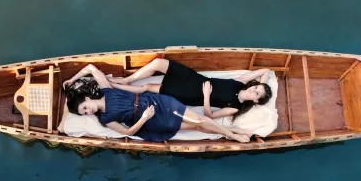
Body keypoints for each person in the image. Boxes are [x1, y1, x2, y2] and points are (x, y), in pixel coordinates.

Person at [63, 64, 252, 143]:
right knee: (198, 127)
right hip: (151, 120)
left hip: (156, 102)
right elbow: (129, 132)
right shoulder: (106, 119)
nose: (88, 112)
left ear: (87, 99)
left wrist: (72, 79)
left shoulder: (106, 89)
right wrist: (144, 118)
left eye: (84, 108)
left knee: (200, 120)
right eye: (84, 113)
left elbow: (90, 68)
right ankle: (232, 131)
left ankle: (231, 134)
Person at [108, 58, 272, 121]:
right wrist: (263, 87)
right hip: (193, 78)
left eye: (257, 93)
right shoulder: (240, 82)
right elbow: (265, 71)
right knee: (158, 63)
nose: (253, 90)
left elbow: (210, 115)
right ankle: (127, 80)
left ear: (256, 101)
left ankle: (116, 86)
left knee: (147, 87)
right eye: (256, 87)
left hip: (191, 94)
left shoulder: (234, 106)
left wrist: (206, 96)